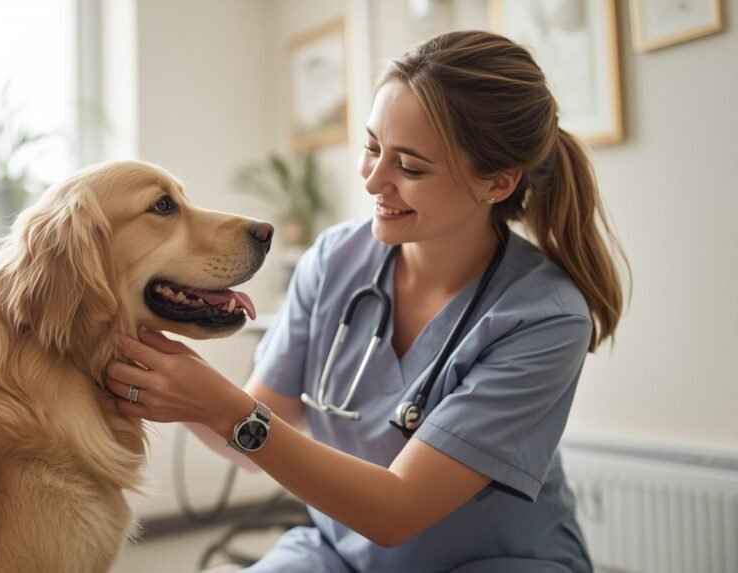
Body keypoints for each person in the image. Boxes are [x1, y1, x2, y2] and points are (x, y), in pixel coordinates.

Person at [105, 30, 629, 572]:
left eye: (410, 167)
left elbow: (396, 511)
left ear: (497, 183)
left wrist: (216, 403)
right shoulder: (334, 261)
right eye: (372, 147)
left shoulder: (544, 317)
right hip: (342, 556)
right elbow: (247, 440)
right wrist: (174, 379)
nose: (374, 180)